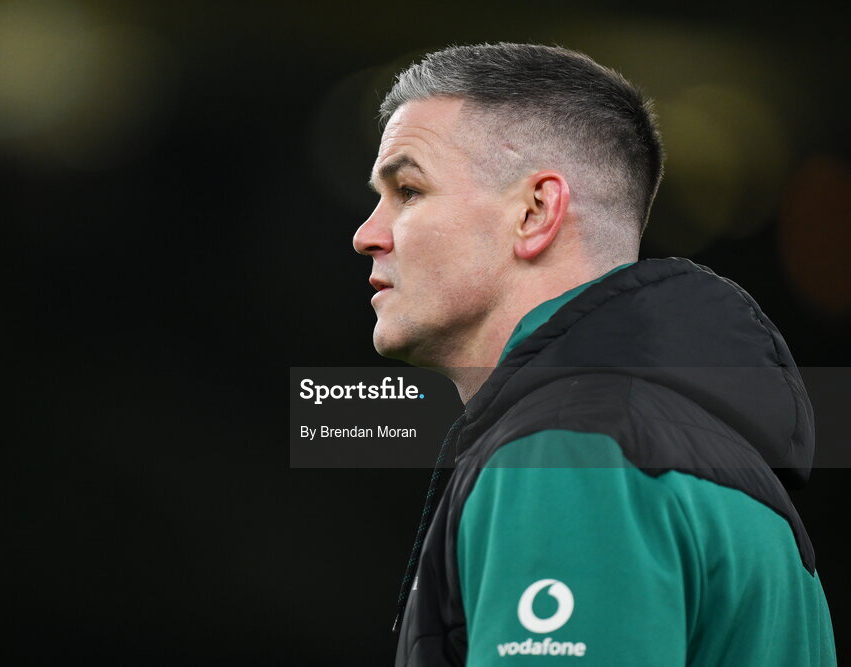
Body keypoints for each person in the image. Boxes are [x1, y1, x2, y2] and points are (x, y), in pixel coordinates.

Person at [353, 43, 837, 666]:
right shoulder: (713, 459)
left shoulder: (568, 449)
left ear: (535, 213)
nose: (368, 233)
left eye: (408, 190)